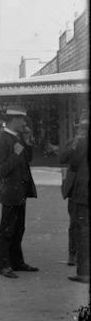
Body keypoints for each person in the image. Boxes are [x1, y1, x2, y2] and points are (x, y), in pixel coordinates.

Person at [0, 105, 38, 279]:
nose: (24, 123)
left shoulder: (16, 139)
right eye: (22, 120)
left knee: (19, 228)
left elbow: (29, 158)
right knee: (7, 229)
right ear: (13, 121)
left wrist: (27, 141)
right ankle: (3, 266)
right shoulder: (1, 141)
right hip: (10, 192)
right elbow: (2, 170)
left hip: (20, 191)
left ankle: (17, 262)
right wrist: (16, 153)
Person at [58, 112, 89, 283]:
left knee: (82, 228)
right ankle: (72, 254)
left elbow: (75, 164)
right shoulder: (74, 142)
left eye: (85, 127)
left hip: (82, 192)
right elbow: (62, 158)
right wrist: (75, 144)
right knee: (75, 225)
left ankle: (84, 270)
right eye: (81, 127)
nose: (82, 130)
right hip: (74, 191)